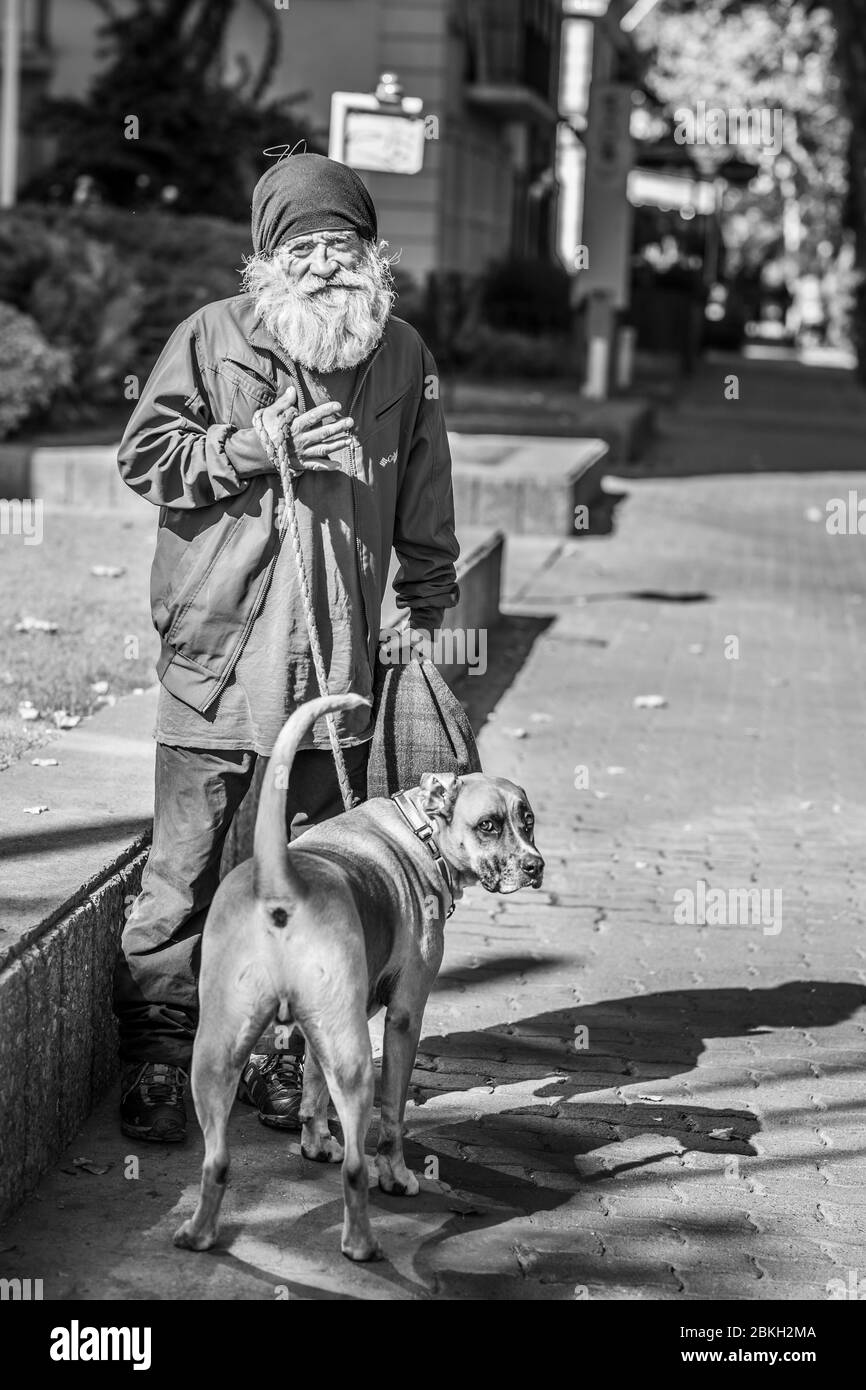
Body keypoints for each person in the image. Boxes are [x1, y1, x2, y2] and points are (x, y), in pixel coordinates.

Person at [114, 154, 459, 1141]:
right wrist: (246, 447)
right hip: (218, 658)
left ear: (370, 254)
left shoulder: (401, 357)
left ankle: (272, 1057)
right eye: (299, 247)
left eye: (338, 245)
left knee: (304, 884)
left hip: (333, 673)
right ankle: (157, 1056)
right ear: (267, 258)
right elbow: (146, 456)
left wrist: (426, 610)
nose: (320, 264)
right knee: (182, 878)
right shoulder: (212, 338)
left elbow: (426, 504)